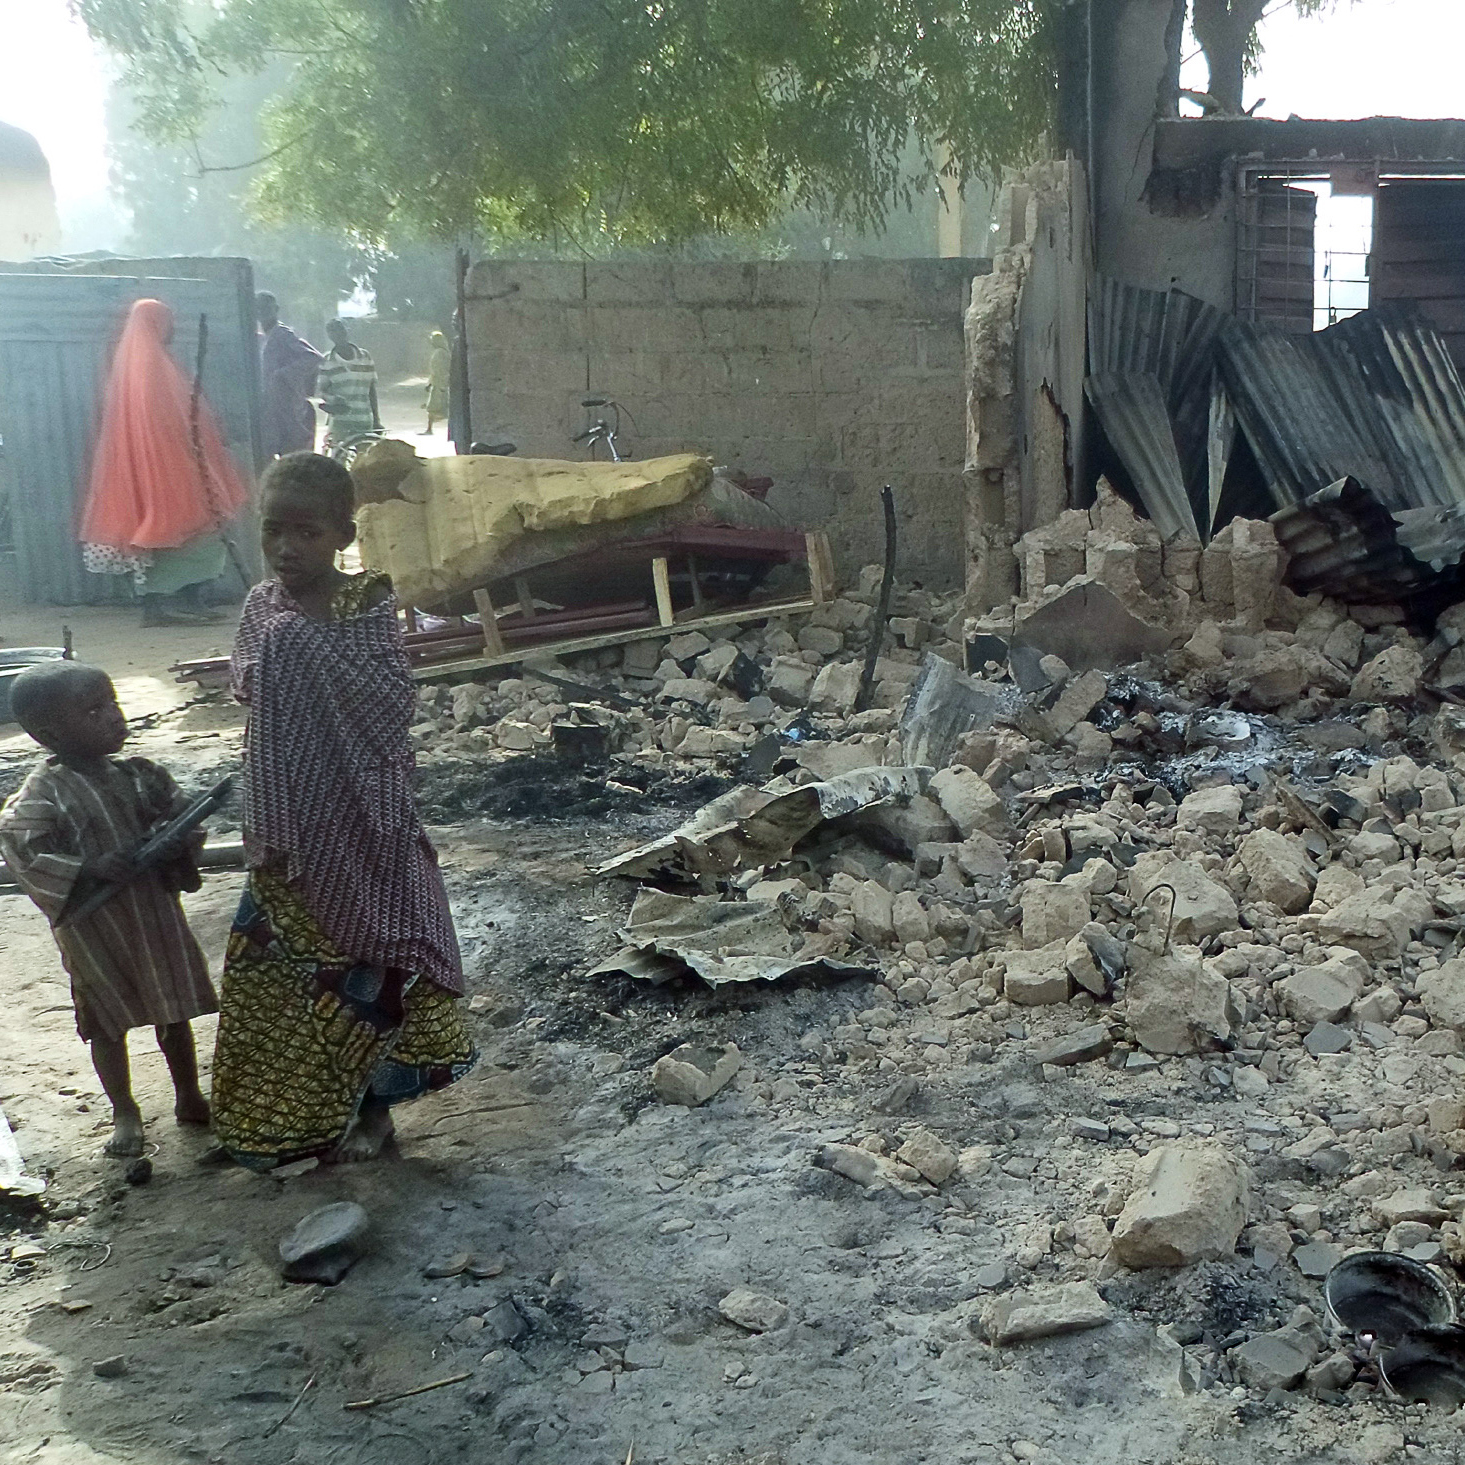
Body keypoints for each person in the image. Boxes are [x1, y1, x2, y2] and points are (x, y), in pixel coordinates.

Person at [210, 453, 475, 1168]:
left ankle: (376, 1114)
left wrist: (302, 653)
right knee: (276, 975)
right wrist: (289, 653)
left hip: (361, 820)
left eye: (307, 531)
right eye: (274, 531)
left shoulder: (364, 609)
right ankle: (276, 1121)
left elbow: (390, 706)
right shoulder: (263, 607)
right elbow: (250, 690)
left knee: (369, 969)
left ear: (342, 534)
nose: (288, 547)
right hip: (283, 824)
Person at [0, 663, 217, 1159]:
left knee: (174, 1009)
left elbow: (180, 814)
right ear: (49, 734)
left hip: (153, 915)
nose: (113, 718)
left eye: (113, 704)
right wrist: (91, 868)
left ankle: (189, 1096)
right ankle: (124, 1109)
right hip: (96, 929)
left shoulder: (141, 775)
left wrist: (176, 838)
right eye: (94, 711)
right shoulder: (40, 794)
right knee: (106, 1019)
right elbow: (24, 851)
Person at [78, 298, 248, 626]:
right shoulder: (152, 366)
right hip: (170, 465)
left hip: (149, 469)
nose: (172, 330)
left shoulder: (133, 365)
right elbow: (174, 420)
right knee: (203, 526)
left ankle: (160, 607)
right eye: (167, 323)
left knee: (162, 538)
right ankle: (186, 601)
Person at [257, 291, 323, 458]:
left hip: (289, 409)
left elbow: (312, 357)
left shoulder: (283, 334)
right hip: (270, 411)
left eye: (267, 308)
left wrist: (282, 374)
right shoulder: (260, 338)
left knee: (294, 457)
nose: (263, 312)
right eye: (259, 308)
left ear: (276, 309)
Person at [317, 318, 381, 453]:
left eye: (340, 330)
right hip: (340, 421)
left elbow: (371, 390)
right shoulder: (327, 361)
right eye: (332, 332)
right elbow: (321, 391)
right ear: (329, 336)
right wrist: (332, 400)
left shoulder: (364, 356)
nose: (337, 334)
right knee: (338, 459)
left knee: (364, 462)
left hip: (364, 419)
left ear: (347, 331)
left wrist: (376, 419)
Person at [423, 330, 450, 436]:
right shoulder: (441, 352)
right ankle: (429, 429)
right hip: (436, 383)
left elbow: (441, 370)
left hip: (439, 384)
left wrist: (441, 384)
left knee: (434, 407)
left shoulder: (440, 353)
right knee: (433, 408)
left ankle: (430, 429)